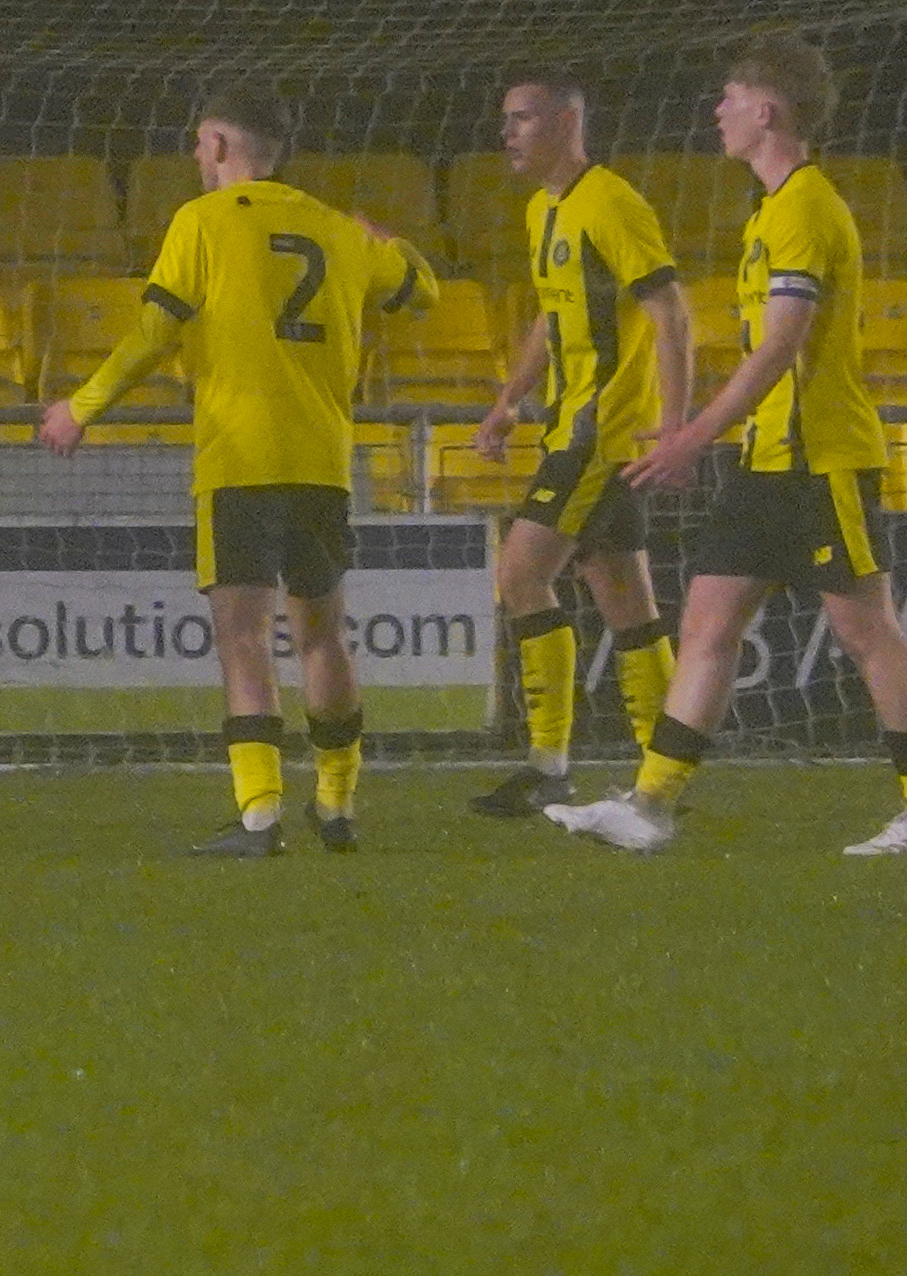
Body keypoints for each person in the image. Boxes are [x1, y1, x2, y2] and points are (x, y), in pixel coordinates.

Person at [548, 33, 907, 859]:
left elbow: (781, 348)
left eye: (730, 98)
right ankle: (652, 805)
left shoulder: (805, 206)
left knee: (866, 630)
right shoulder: (774, 208)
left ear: (765, 110)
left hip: (819, 457)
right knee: (706, 625)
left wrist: (692, 434)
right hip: (767, 460)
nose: (718, 111)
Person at [41, 78, 435, 856]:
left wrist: (81, 407)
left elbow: (155, 331)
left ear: (220, 144)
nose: (194, 152)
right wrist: (382, 237)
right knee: (323, 636)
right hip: (322, 460)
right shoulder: (334, 230)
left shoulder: (202, 220)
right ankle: (338, 803)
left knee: (243, 636)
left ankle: (259, 814)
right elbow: (423, 289)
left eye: (199, 140)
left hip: (240, 458)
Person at [466, 69, 689, 816]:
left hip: (602, 431)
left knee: (519, 573)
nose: (508, 134)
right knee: (623, 597)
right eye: (506, 119)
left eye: (522, 118)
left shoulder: (613, 202)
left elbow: (671, 312)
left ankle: (550, 763)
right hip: (569, 423)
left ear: (566, 122)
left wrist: (678, 421)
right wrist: (508, 400)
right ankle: (665, 775)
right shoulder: (542, 211)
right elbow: (550, 316)